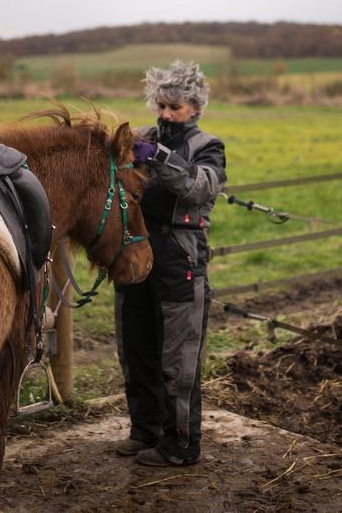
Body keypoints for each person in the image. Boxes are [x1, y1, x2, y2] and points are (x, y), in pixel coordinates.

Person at [113, 60, 227, 467]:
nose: (165, 115)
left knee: (179, 360)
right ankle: (145, 430)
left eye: (174, 107)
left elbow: (199, 187)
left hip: (181, 259)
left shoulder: (208, 147)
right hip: (135, 254)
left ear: (194, 107)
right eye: (160, 106)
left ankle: (180, 445)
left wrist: (161, 158)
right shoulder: (140, 138)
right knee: (136, 348)